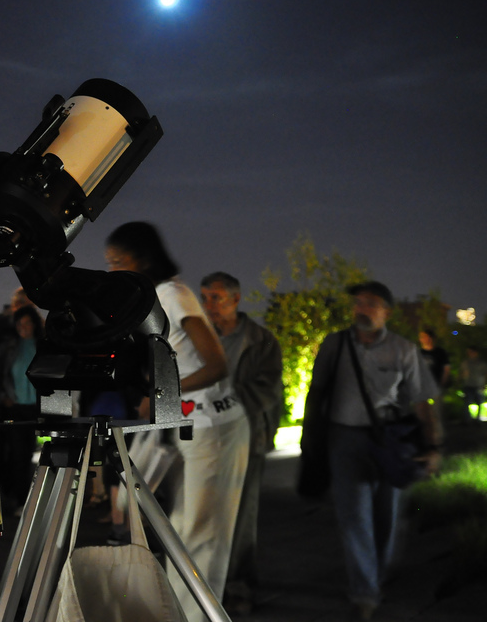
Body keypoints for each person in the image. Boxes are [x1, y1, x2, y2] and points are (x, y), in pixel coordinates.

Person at [105, 222, 241, 622]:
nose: (112, 271)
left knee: (199, 534)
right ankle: (176, 612)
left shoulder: (172, 294)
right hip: (188, 425)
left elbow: (216, 363)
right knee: (180, 527)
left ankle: (194, 615)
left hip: (213, 428)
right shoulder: (155, 297)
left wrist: (163, 395)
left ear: (143, 260)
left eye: (118, 262)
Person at [302, 281, 442, 619]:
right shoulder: (334, 345)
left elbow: (423, 401)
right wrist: (311, 438)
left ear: (387, 312)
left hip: (391, 440)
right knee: (354, 518)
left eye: (371, 303)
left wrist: (433, 445)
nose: (361, 309)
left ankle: (375, 576)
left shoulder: (404, 350)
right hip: (343, 439)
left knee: (386, 516)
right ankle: (364, 592)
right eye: (358, 302)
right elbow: (316, 391)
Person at [199, 271, 284, 615]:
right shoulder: (198, 338)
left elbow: (266, 390)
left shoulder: (261, 341)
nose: (208, 306)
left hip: (246, 438)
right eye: (204, 297)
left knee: (240, 517)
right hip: (204, 440)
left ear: (235, 299)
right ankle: (207, 581)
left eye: (216, 298)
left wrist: (219, 405)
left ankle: (239, 585)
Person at [0, 304, 43, 514]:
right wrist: (3, 396)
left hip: (33, 408)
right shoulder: (8, 345)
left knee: (26, 454)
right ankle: (17, 498)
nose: (23, 328)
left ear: (34, 324)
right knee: (14, 454)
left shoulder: (42, 345)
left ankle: (21, 499)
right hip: (13, 407)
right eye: (19, 324)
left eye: (27, 323)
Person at [459, 347, 487, 422]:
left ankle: (477, 419)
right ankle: (467, 419)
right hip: (468, 384)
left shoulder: (481, 363)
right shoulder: (465, 362)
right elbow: (461, 373)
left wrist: (484, 384)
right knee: (467, 402)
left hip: (478, 384)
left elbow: (485, 373)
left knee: (479, 402)